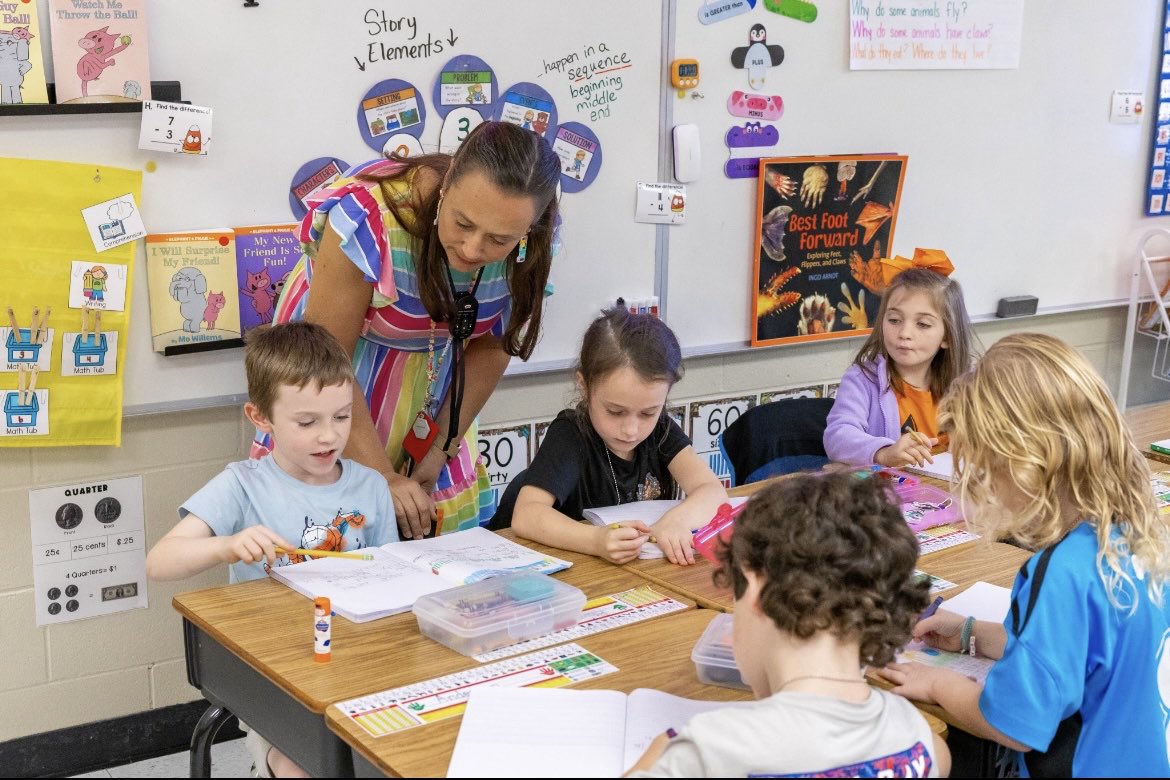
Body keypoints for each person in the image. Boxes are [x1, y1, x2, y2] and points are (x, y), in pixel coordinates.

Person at [879, 333, 1170, 777]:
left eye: (981, 464)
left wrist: (939, 682)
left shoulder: (1058, 572)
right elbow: (1078, 653)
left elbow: (1013, 724)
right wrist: (970, 633)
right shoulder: (1133, 532)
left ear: (1024, 461)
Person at [254, 120, 561, 540]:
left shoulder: (533, 243)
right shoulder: (368, 217)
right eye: (463, 224)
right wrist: (382, 474)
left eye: (499, 240)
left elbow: (492, 347)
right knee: (329, 542)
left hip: (435, 399)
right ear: (448, 182)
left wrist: (440, 450)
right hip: (331, 387)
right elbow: (324, 361)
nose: (473, 250)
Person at [146, 322, 397, 779]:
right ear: (260, 417)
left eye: (342, 417)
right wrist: (225, 545)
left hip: (356, 667)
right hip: (276, 676)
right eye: (307, 422)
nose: (329, 436)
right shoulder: (243, 484)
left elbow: (393, 580)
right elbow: (159, 562)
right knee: (306, 766)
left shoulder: (372, 485)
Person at [625, 471, 950, 777]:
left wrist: (656, 759)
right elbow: (940, 758)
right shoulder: (916, 736)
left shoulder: (710, 750)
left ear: (756, 591)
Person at [494, 309, 727, 565]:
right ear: (584, 385)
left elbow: (712, 491)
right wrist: (595, 540)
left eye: (648, 412)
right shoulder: (571, 433)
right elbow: (526, 514)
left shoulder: (661, 429)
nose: (631, 430)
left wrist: (674, 522)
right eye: (615, 412)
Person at [823, 267, 976, 467]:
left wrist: (973, 438)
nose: (904, 333)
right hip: (889, 492)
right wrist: (884, 452)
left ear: (947, 336)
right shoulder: (862, 379)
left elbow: (998, 431)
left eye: (922, 324)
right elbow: (837, 437)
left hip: (947, 490)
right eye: (894, 320)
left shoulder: (967, 381)